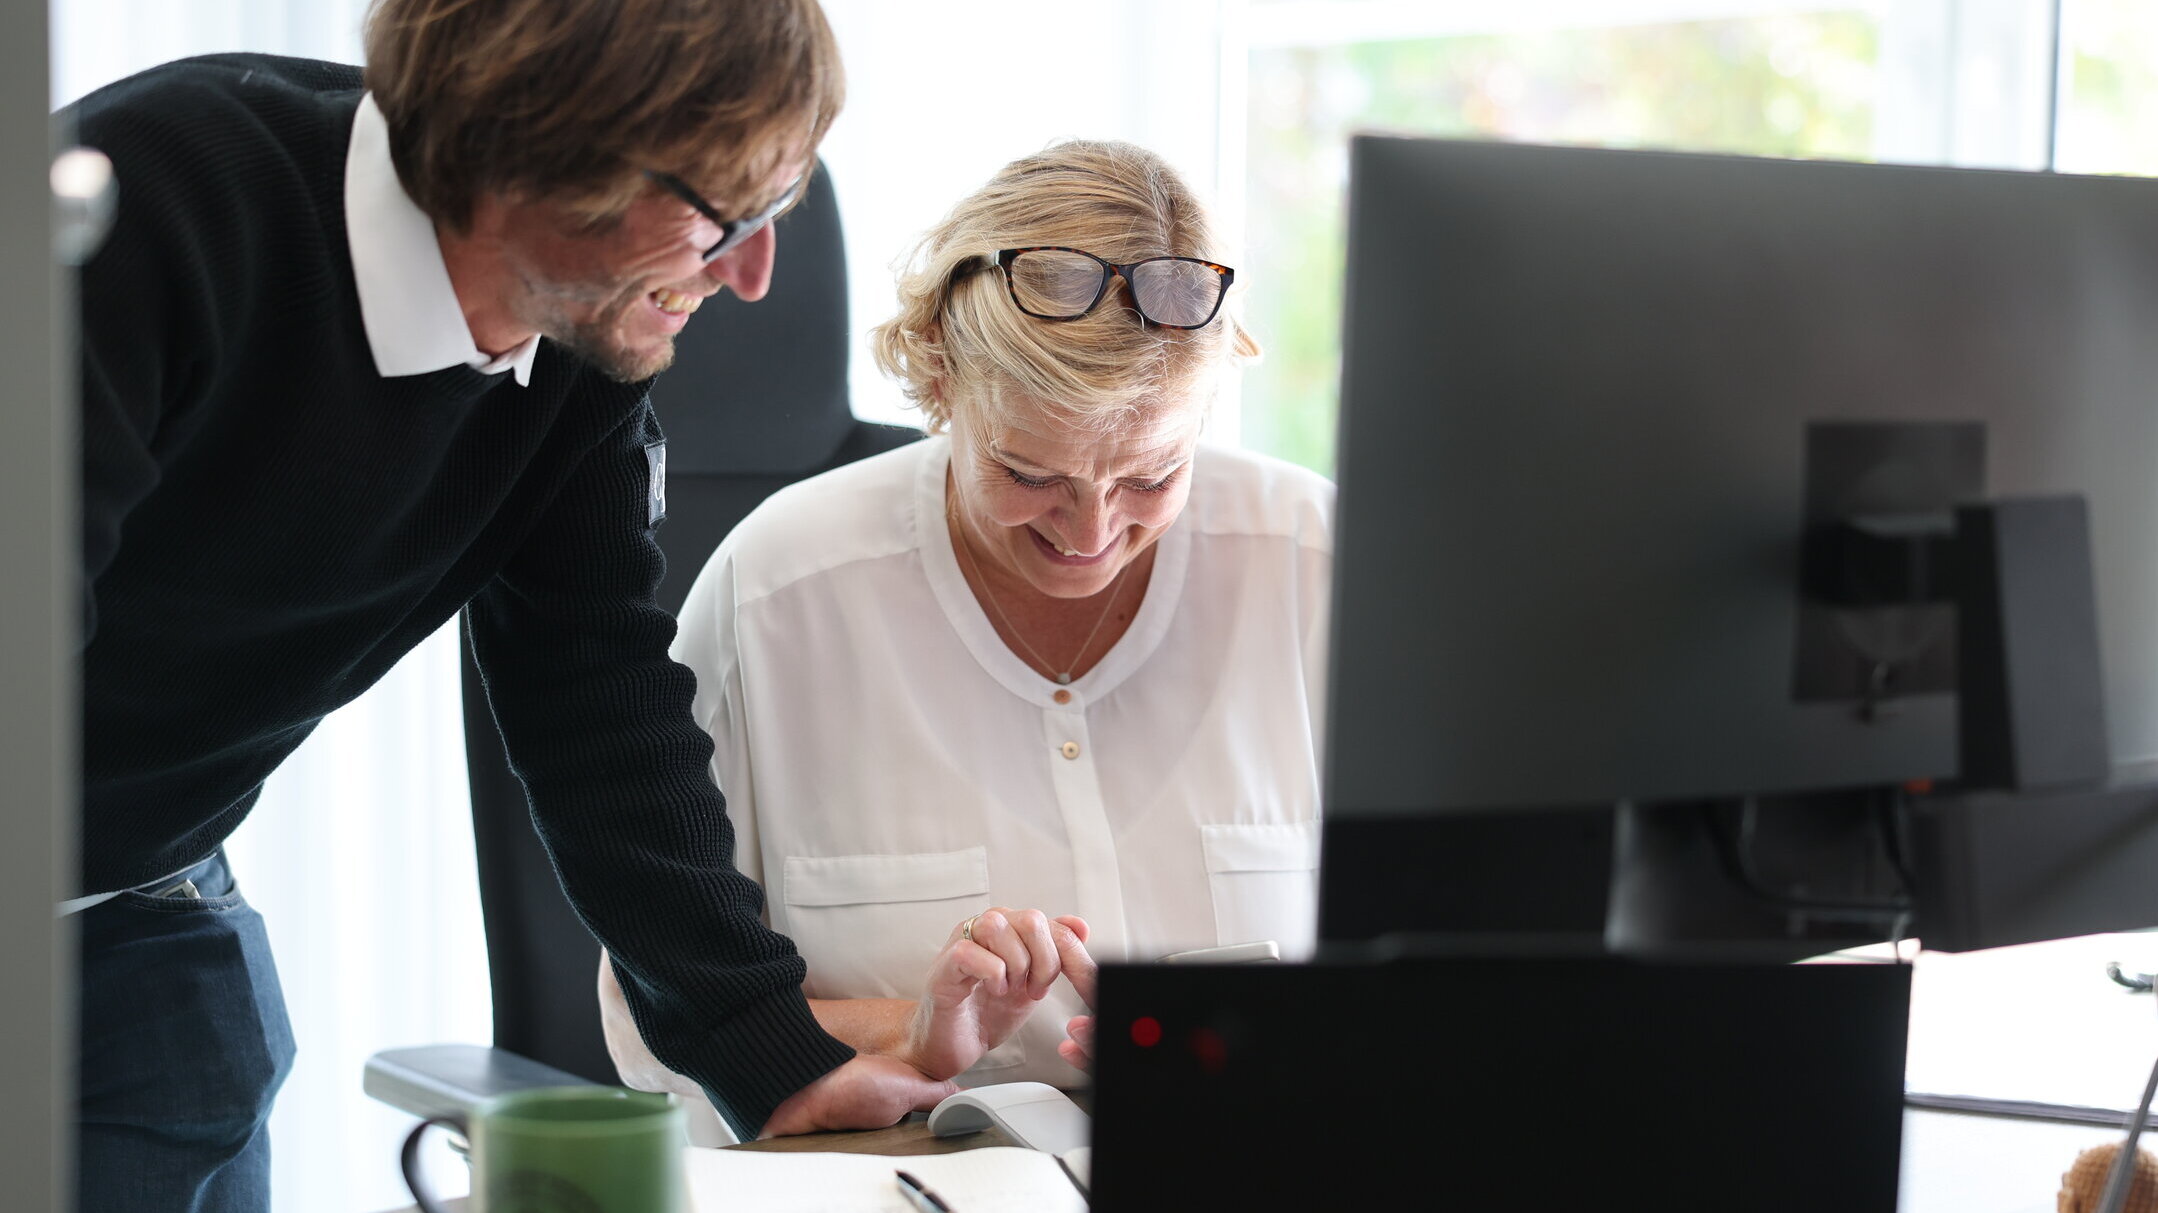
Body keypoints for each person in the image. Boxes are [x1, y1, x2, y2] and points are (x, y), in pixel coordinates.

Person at [64, 2, 951, 1209]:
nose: (752, 276)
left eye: (778, 213)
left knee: (206, 1057)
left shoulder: (578, 364)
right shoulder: (161, 200)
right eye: (725, 218)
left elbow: (595, 696)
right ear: (538, 151)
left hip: (149, 893)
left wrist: (768, 1050)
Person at [599, 140, 1335, 1116]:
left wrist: (1240, 1043)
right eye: (1031, 474)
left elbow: (1466, 984)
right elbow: (649, 1015)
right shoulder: (779, 593)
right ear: (940, 379)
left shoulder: (1319, 569)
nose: (1091, 531)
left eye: (1151, 477)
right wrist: (907, 1027)